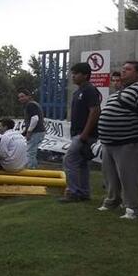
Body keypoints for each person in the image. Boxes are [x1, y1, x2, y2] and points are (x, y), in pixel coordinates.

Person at [98, 61, 138, 219]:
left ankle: (134, 209)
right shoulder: (121, 91)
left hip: (129, 142)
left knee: (129, 176)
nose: (123, 72)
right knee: (110, 176)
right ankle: (113, 201)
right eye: (122, 69)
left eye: (128, 70)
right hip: (110, 143)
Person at [58, 62, 101, 203]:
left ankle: (73, 192)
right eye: (72, 73)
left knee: (69, 160)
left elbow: (94, 111)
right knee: (82, 163)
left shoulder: (89, 89)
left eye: (76, 73)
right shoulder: (78, 91)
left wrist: (85, 134)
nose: (73, 76)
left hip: (84, 135)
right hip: (78, 133)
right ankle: (84, 193)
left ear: (85, 75)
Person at [17, 89, 46, 169]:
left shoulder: (30, 105)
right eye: (19, 97)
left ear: (28, 96)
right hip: (38, 131)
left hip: (36, 132)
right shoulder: (33, 104)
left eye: (22, 96)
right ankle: (34, 169)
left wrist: (29, 131)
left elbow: (35, 118)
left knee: (30, 152)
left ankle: (31, 171)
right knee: (32, 152)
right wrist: (25, 132)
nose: (20, 99)